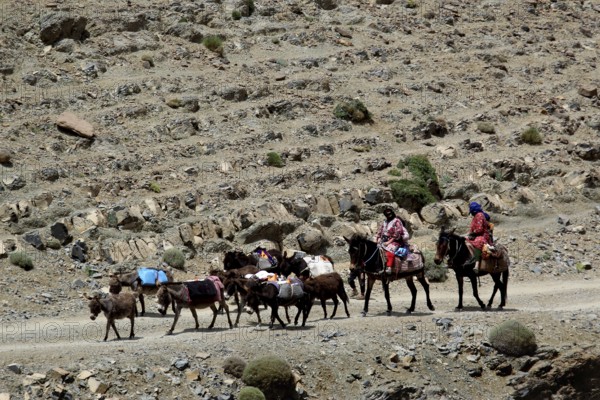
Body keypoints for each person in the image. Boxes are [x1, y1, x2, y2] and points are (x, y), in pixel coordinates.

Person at [375, 207, 410, 274]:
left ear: (392, 213)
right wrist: (378, 238)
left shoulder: (397, 221)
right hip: (384, 240)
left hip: (395, 241)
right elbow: (380, 231)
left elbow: (398, 232)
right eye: (387, 214)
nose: (389, 215)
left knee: (390, 249)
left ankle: (389, 267)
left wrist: (388, 242)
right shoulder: (384, 222)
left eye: (390, 213)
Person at [464, 202, 494, 274]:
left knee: (478, 242)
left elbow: (479, 229)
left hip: (482, 236)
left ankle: (476, 264)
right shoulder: (476, 216)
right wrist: (469, 234)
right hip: (476, 235)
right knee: (464, 241)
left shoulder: (479, 215)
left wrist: (471, 234)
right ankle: (469, 259)